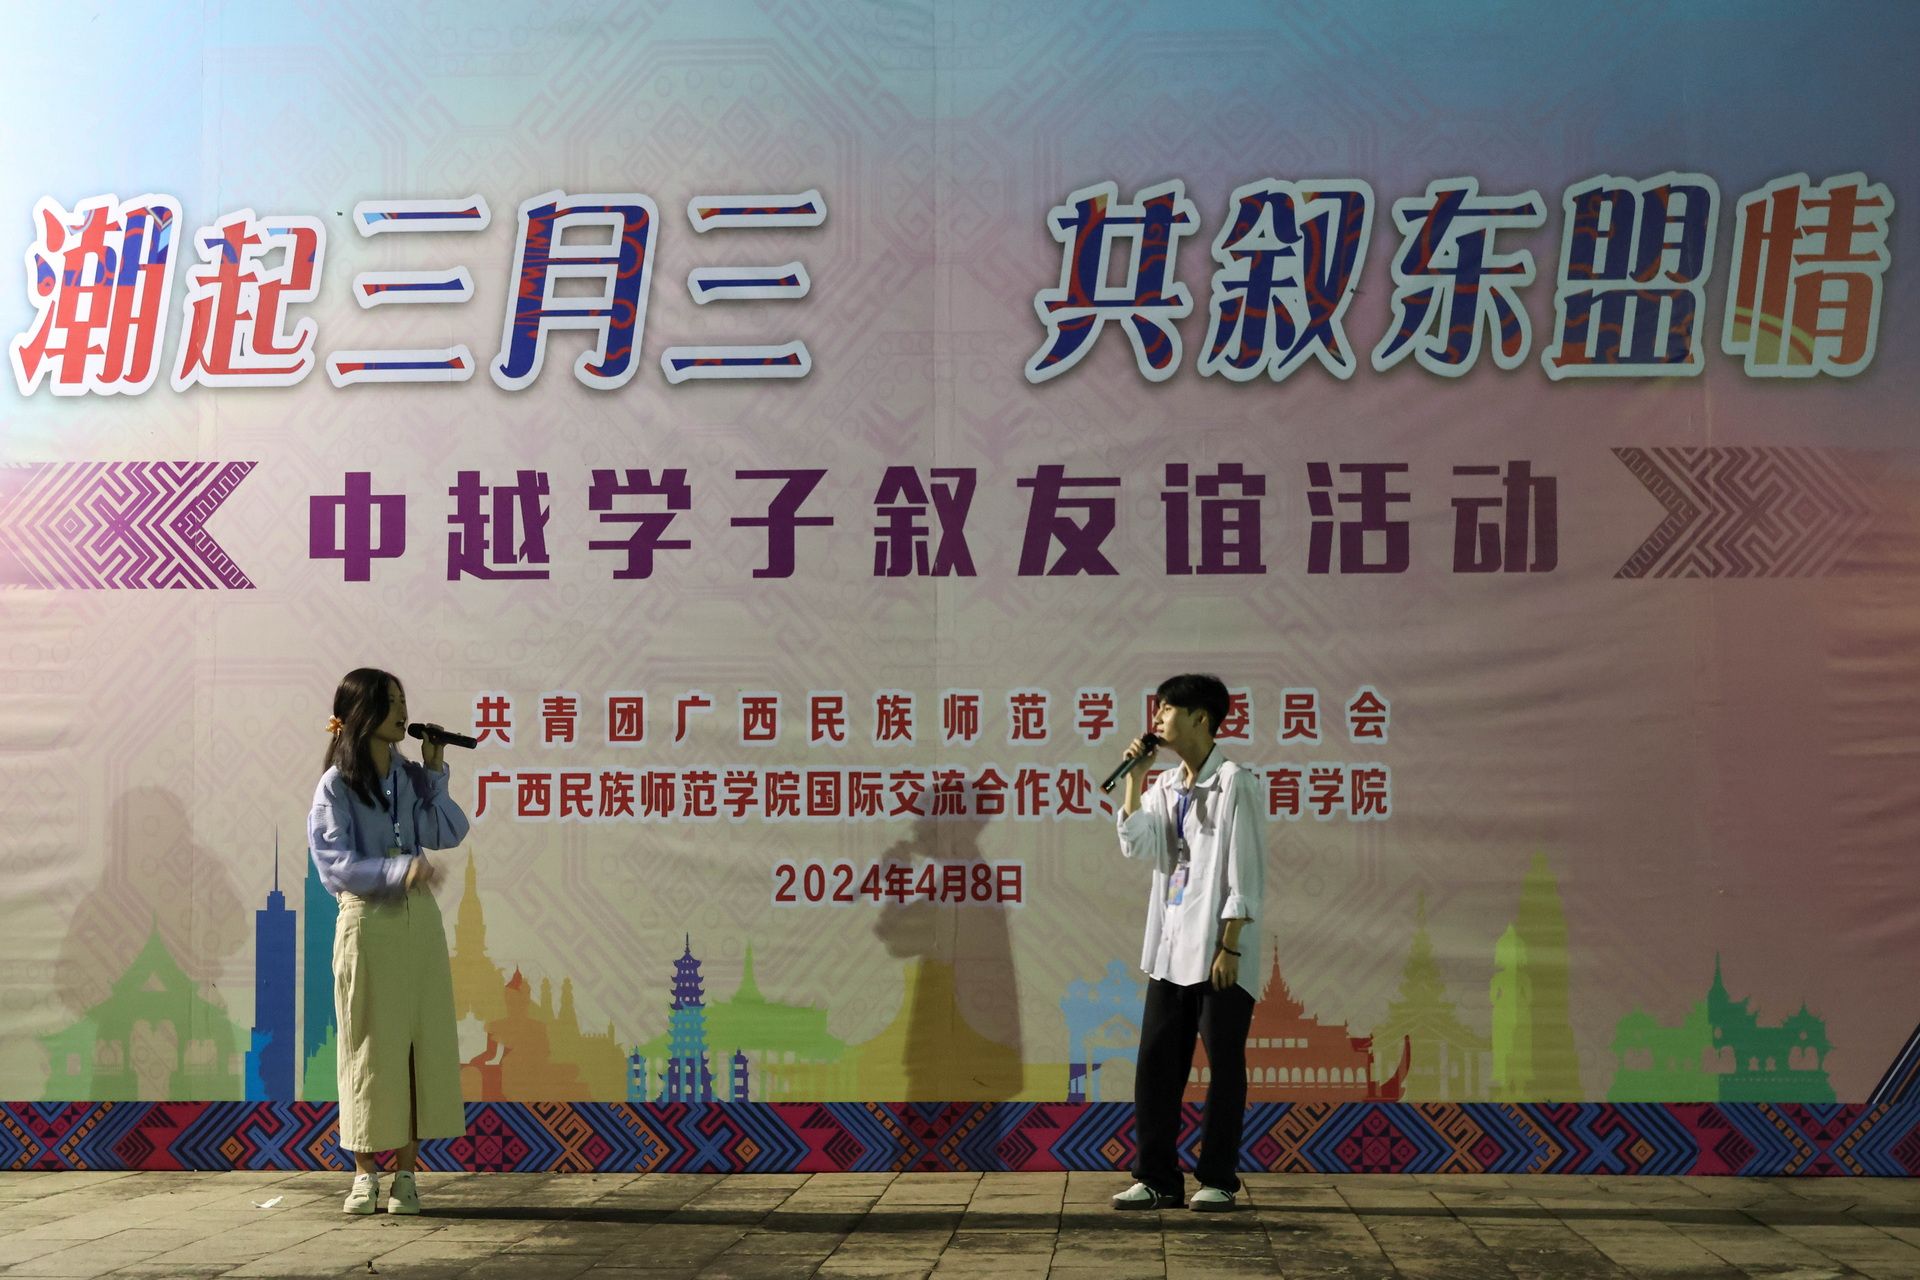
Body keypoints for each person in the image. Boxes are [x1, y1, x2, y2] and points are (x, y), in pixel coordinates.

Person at [308, 668, 471, 1215]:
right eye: (392, 702)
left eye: (404, 701)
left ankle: (406, 1173)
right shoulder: (336, 786)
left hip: (418, 920)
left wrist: (435, 771)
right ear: (362, 713)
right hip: (368, 919)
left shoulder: (410, 776)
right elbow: (335, 865)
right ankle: (364, 1173)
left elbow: (447, 832)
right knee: (369, 1043)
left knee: (417, 1043)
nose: (404, 712)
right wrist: (398, 871)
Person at [1110, 674, 1264, 1212]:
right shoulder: (1164, 787)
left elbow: (1246, 871)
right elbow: (1138, 847)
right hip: (1170, 948)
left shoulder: (1234, 783)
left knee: (1223, 1068)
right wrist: (1135, 780)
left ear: (1202, 718)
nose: (1157, 718)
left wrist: (1232, 945)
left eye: (1168, 709)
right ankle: (1157, 1178)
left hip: (1218, 949)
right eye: (1157, 709)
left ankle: (1217, 1178)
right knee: (1156, 1064)